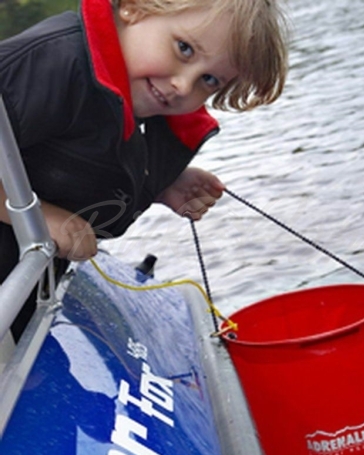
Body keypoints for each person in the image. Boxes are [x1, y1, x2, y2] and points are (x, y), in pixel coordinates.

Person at [0, 0, 289, 340]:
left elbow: (70, 155)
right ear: (136, 8)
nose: (184, 85)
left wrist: (158, 183)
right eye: (184, 49)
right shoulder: (50, 64)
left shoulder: (132, 91)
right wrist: (38, 217)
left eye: (209, 80)